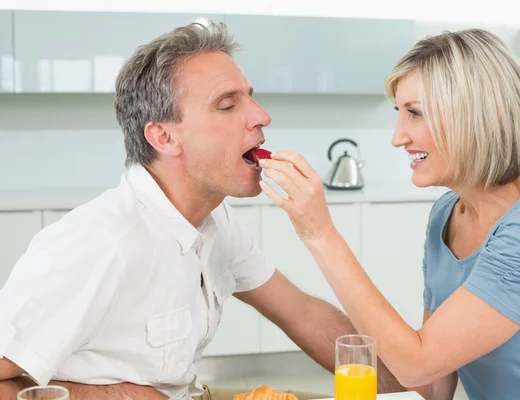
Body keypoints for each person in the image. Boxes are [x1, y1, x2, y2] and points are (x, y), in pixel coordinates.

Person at [0, 22, 403, 399]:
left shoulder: (215, 221)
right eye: (228, 105)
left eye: (249, 96)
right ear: (164, 136)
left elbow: (303, 314)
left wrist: (413, 383)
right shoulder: (98, 242)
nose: (262, 116)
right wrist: (120, 395)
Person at [258, 29, 520, 400]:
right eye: (399, 113)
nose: (398, 137)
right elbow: (434, 383)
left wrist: (320, 234)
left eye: (415, 114)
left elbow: (418, 363)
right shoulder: (445, 215)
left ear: (478, 116)